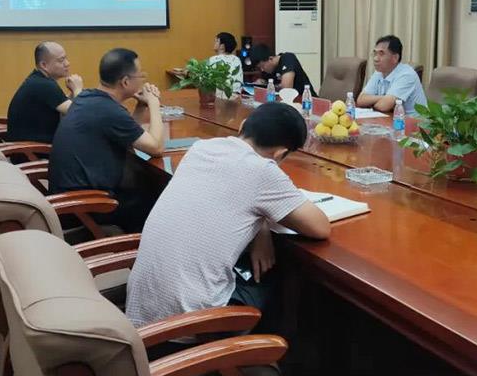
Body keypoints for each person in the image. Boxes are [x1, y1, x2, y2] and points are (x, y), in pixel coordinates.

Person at [125, 102, 330, 329]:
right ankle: (271, 346)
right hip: (186, 325)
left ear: (243, 126)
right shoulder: (263, 171)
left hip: (140, 313)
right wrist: (264, 217)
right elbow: (320, 228)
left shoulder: (201, 148)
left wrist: (261, 224)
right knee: (278, 274)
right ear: (280, 154)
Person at [48, 48, 166, 233]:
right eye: (140, 76)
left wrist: (141, 106)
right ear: (125, 82)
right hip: (86, 205)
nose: (143, 80)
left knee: (144, 184)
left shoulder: (88, 97)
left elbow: (127, 136)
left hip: (71, 197)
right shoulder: (108, 110)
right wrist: (154, 103)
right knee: (160, 199)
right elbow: (156, 147)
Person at [6, 41, 83, 143]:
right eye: (61, 60)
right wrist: (78, 89)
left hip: (32, 146)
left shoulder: (38, 80)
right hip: (34, 149)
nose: (67, 63)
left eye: (66, 58)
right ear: (44, 65)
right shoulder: (44, 85)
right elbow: (80, 114)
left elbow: (64, 107)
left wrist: (73, 93)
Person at [357, 35, 427, 114]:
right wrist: (385, 98)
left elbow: (383, 106)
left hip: (413, 120)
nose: (375, 59)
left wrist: (375, 101)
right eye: (375, 53)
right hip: (391, 117)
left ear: (395, 58)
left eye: (381, 54)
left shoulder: (407, 74)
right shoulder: (379, 72)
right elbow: (361, 100)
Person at [249, 44, 317, 96]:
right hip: (287, 104)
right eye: (259, 68)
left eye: (262, 66)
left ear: (270, 59)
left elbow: (286, 89)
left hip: (307, 102)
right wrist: (261, 83)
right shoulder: (267, 71)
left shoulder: (288, 58)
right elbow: (267, 84)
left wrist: (272, 86)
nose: (262, 70)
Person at [208, 32, 243, 99]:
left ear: (222, 46)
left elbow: (208, 80)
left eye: (216, 41)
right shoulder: (237, 59)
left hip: (221, 97)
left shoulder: (214, 59)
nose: (214, 43)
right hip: (237, 97)